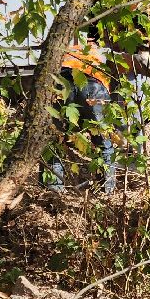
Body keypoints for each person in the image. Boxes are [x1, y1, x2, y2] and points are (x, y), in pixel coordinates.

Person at [44, 39, 116, 195]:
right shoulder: (102, 53)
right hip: (93, 87)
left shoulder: (69, 49)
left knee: (56, 139)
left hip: (63, 85)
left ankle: (54, 190)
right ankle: (106, 189)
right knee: (103, 141)